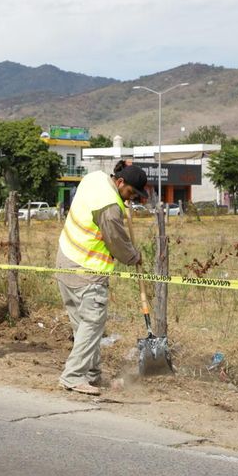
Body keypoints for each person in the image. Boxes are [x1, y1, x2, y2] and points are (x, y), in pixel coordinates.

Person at [56, 163, 148, 395]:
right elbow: (116, 242)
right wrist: (134, 256)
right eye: (131, 194)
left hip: (66, 260)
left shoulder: (95, 177)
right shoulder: (110, 207)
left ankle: (91, 373)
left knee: (84, 326)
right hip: (87, 270)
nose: (131, 200)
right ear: (120, 183)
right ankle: (73, 376)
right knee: (92, 323)